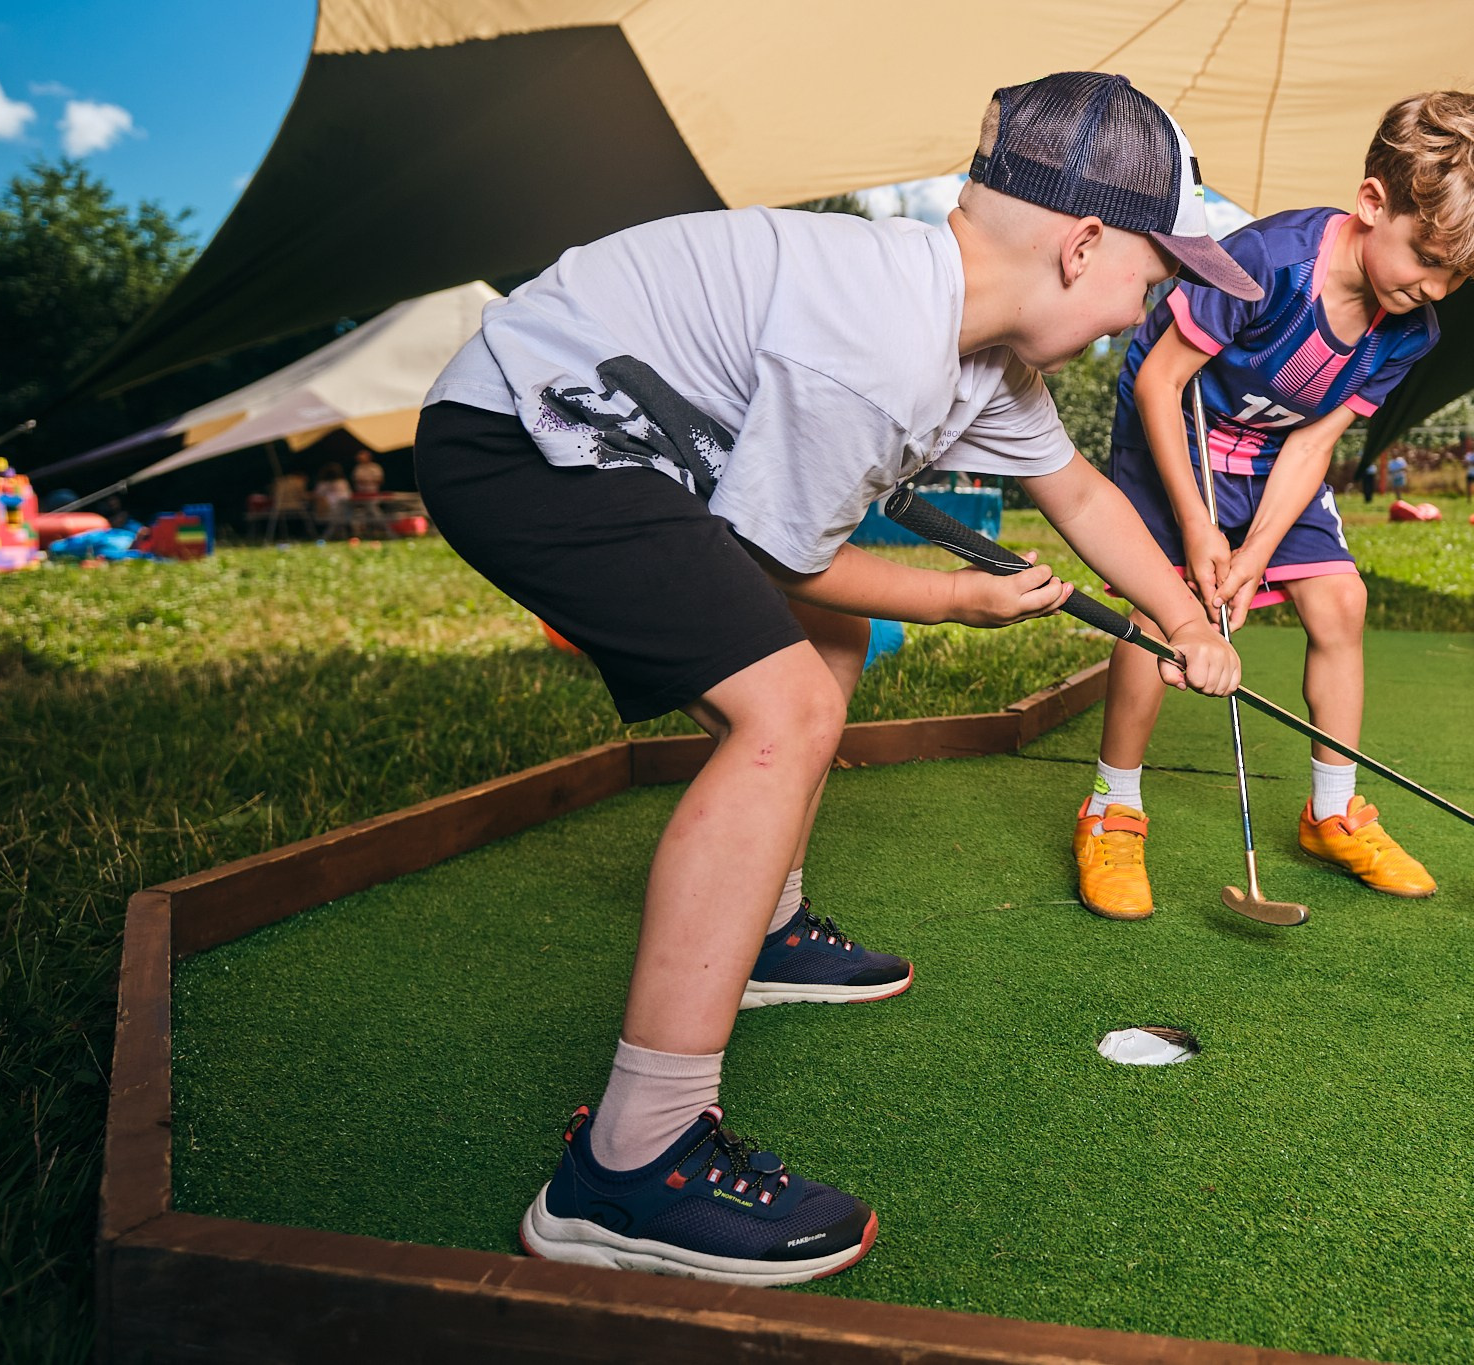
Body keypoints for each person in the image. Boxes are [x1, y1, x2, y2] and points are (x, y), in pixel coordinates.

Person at [414, 72, 1250, 1285]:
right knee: (784, 703)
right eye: (1153, 273)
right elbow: (779, 560)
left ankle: (757, 931)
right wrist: (961, 598)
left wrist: (1179, 617)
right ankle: (629, 1165)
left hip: (607, 436)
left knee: (826, 654)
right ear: (1081, 245)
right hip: (526, 437)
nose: (1149, 307)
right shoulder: (877, 344)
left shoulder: (975, 355)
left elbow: (1074, 492)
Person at [1074, 89, 1474, 921]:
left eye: (1458, 276)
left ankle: (1332, 811)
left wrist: (1256, 551)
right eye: (1428, 258)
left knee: (1341, 598)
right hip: (1179, 430)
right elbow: (1161, 382)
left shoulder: (1410, 328)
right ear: (1374, 203)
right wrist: (1198, 528)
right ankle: (1111, 807)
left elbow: (1311, 443)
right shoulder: (1265, 262)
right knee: (1165, 609)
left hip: (1273, 450)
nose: (1438, 288)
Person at [311, 463, 353, 532]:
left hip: (333, 512)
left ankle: (331, 532)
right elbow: (349, 495)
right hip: (343, 512)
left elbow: (317, 495)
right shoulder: (343, 482)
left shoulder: (324, 484)